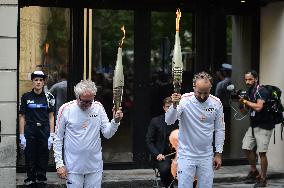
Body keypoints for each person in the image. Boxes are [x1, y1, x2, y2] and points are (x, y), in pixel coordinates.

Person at [53, 79, 123, 188]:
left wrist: (115, 121)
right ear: (77, 96)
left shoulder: (98, 107)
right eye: (84, 101)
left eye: (90, 101)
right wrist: (59, 164)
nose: (88, 105)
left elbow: (107, 134)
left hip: (94, 167)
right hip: (73, 167)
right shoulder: (66, 109)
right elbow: (58, 138)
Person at [165, 71, 225, 188]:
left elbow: (219, 129)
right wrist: (174, 105)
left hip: (206, 156)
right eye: (199, 92)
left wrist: (218, 154)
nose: (202, 96)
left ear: (211, 88)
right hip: (186, 156)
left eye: (206, 93)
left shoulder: (216, 103)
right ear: (194, 87)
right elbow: (169, 121)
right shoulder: (183, 100)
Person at [19, 70, 56, 186]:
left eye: (41, 80)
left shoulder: (49, 97)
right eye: (36, 80)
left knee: (43, 155)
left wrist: (51, 134)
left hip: (44, 129)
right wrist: (21, 135)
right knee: (30, 155)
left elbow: (51, 117)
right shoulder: (26, 97)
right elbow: (22, 117)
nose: (38, 82)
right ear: (33, 82)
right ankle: (30, 178)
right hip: (30, 129)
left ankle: (41, 178)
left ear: (44, 82)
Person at [239, 70, 273, 187]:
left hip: (264, 125)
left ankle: (263, 179)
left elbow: (259, 107)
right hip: (253, 125)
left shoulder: (261, 91)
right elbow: (244, 112)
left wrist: (245, 101)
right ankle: (254, 171)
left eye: (250, 79)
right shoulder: (249, 92)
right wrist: (241, 103)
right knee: (246, 147)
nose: (247, 82)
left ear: (256, 79)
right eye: (246, 80)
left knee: (262, 153)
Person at [145, 97, 178, 188]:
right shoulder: (155, 121)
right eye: (168, 106)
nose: (170, 109)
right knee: (164, 169)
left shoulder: (181, 121)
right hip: (163, 155)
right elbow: (149, 141)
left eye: (172, 106)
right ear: (164, 108)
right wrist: (157, 154)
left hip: (180, 155)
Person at [215, 63, 232, 156]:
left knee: (222, 129)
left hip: (223, 109)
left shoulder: (221, 84)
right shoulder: (234, 81)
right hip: (232, 109)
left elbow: (217, 99)